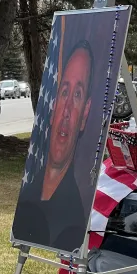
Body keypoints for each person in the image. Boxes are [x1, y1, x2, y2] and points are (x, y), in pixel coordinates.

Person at [12, 40, 94, 253]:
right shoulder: (29, 193)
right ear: (53, 103)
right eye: (64, 92)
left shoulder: (73, 220)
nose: (66, 110)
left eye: (77, 95)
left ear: (85, 115)